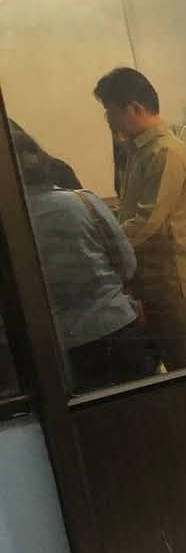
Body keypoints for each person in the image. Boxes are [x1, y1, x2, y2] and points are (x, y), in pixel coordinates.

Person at [11, 126, 158, 393]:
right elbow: (127, 264)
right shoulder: (83, 203)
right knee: (145, 409)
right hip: (116, 328)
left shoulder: (11, 225)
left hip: (54, 348)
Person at [94, 67, 186, 370]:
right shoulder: (140, 151)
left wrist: (105, 246)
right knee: (174, 364)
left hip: (174, 281)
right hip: (154, 280)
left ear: (134, 108)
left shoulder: (164, 153)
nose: (108, 119)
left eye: (110, 110)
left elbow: (147, 220)